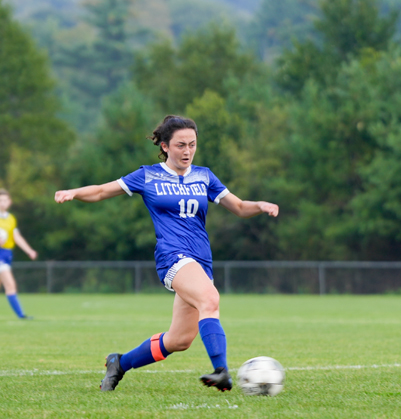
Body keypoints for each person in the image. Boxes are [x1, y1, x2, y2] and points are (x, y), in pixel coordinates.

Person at [54, 115, 279, 392]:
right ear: (164, 146)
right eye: (180, 145)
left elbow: (241, 207)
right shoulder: (147, 175)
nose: (187, 151)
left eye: (192, 144)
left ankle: (119, 363)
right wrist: (73, 192)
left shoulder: (204, 176)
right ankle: (221, 370)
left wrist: (260, 205)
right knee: (210, 299)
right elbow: (101, 191)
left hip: (201, 260)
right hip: (172, 255)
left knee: (179, 341)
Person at [0, 189, 39, 319]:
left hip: (6, 254)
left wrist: (29, 251)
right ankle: (21, 315)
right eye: (0, 200)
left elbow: (16, 237)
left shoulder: (11, 219)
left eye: (5, 200)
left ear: (10, 202)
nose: (2, 203)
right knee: (10, 285)